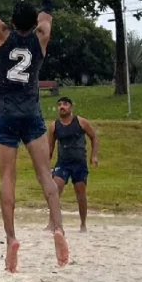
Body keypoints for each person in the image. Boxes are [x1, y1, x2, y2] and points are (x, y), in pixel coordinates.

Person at [0, 0, 69, 271]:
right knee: (46, 174)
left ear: (13, 22)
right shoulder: (42, 37)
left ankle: (11, 238)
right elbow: (48, 8)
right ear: (34, 23)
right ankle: (57, 228)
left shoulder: (1, 34)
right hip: (31, 113)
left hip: (4, 115)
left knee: (7, 177)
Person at [47, 96, 99, 232]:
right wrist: (46, 164)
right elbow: (50, 148)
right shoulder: (54, 126)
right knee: (55, 191)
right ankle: (51, 223)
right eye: (59, 105)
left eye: (65, 104)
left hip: (79, 163)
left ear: (71, 107)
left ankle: (83, 224)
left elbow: (93, 136)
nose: (62, 107)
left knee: (80, 194)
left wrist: (93, 155)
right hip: (63, 163)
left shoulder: (81, 122)